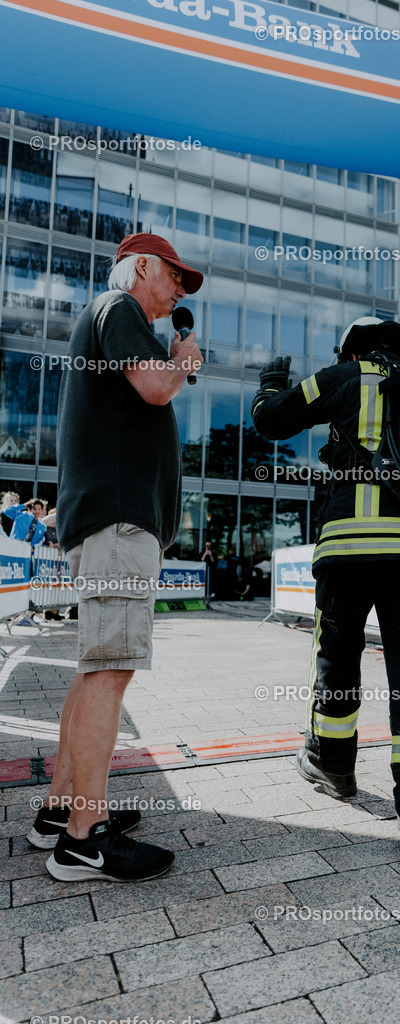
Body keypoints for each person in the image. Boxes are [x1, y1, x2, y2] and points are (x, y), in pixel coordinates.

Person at [27, 232, 204, 883]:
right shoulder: (119, 309)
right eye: (176, 279)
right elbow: (157, 388)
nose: (179, 293)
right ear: (146, 267)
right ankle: (84, 839)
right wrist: (182, 358)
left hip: (107, 519)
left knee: (94, 668)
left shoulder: (110, 317)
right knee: (110, 669)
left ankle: (61, 811)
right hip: (118, 520)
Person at [252, 318, 400, 858]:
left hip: (349, 545)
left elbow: (272, 422)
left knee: (339, 655)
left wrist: (271, 385)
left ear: (352, 348)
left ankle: (333, 765)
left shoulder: (345, 376)